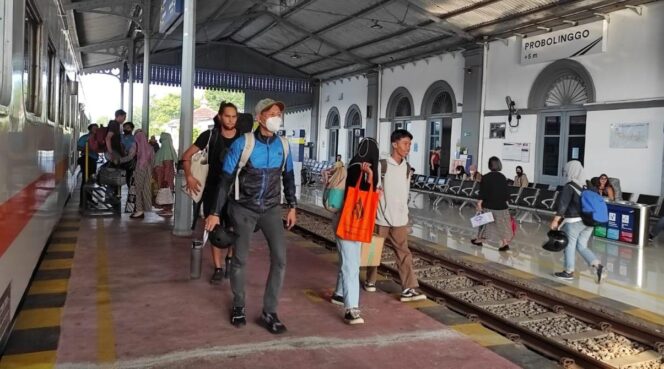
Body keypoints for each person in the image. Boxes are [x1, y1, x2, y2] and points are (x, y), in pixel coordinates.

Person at [205, 98, 297, 334]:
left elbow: (288, 178)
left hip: (271, 209)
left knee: (280, 258)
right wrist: (215, 212)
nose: (277, 117)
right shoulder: (243, 144)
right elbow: (225, 180)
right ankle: (238, 305)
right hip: (243, 208)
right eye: (272, 113)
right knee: (240, 259)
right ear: (259, 118)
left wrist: (292, 206)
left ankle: (269, 311)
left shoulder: (284, 146)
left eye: (279, 113)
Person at [183, 101, 243, 284]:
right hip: (212, 190)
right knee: (214, 229)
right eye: (227, 116)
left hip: (236, 192)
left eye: (234, 117)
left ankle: (230, 259)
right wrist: (190, 177)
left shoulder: (244, 138)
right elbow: (186, 157)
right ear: (219, 116)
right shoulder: (209, 136)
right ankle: (218, 268)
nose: (230, 120)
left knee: (234, 228)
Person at [365, 130, 427, 303]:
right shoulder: (382, 165)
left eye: (409, 144)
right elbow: (374, 188)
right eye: (405, 143)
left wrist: (406, 216)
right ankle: (370, 280)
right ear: (394, 144)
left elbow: (405, 193)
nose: (408, 147)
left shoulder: (407, 168)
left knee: (404, 254)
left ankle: (408, 288)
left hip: (399, 220)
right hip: (381, 218)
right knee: (374, 252)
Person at [329, 139, 378, 325]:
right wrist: (370, 177)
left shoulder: (353, 164)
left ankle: (340, 294)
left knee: (348, 259)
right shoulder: (361, 168)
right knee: (352, 264)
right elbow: (365, 195)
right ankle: (351, 308)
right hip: (350, 220)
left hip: (346, 219)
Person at [550, 160, 604, 283]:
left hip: (574, 221)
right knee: (582, 246)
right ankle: (597, 264)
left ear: (570, 171)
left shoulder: (570, 186)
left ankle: (568, 272)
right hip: (589, 221)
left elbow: (563, 205)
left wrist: (555, 220)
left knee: (570, 246)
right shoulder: (589, 185)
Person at [471, 157, 512, 252]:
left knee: (484, 224)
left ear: (489, 165)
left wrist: (479, 204)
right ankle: (505, 243)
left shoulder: (486, 177)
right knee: (501, 225)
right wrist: (506, 203)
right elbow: (506, 193)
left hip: (489, 205)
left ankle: (480, 239)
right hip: (501, 206)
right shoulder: (502, 177)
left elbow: (483, 192)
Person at [129, 130, 154, 219]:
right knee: (146, 189)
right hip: (148, 169)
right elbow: (152, 161)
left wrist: (119, 160)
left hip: (139, 168)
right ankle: (145, 208)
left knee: (138, 189)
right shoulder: (150, 147)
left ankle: (139, 210)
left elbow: (129, 157)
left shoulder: (135, 146)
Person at [153, 132, 177, 216]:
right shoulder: (163, 149)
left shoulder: (166, 149)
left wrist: (165, 179)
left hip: (165, 177)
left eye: (162, 138)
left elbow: (167, 165)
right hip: (162, 176)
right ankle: (165, 209)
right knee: (164, 192)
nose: (160, 140)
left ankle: (168, 210)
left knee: (167, 192)